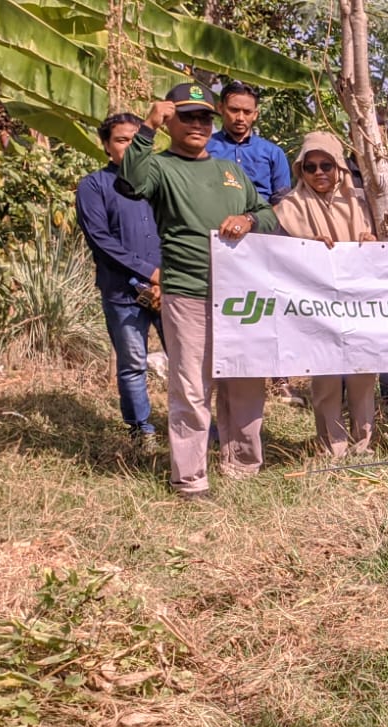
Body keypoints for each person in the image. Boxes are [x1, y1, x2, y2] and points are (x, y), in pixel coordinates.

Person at [119, 83, 279, 500]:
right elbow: (132, 181)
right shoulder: (160, 167)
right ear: (170, 119)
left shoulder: (230, 170)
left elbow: (266, 213)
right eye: (187, 116)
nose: (197, 124)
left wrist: (248, 219)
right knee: (191, 386)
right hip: (187, 291)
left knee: (245, 381)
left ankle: (243, 464)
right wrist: (147, 128)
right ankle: (190, 477)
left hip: (238, 295)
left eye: (204, 117)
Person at [272, 131, 381, 458]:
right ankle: (331, 445)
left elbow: (387, 243)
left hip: (359, 301)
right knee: (326, 378)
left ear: (340, 169)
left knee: (363, 374)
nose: (319, 173)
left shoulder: (362, 202)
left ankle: (363, 444)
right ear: (300, 170)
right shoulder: (289, 208)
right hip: (315, 304)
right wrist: (305, 245)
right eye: (310, 167)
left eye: (327, 165)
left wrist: (371, 238)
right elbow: (278, 253)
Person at [77, 112, 164, 452]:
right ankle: (141, 430)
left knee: (185, 359)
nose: (129, 147)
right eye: (121, 140)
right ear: (106, 145)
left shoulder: (157, 183)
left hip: (170, 287)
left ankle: (195, 424)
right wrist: (150, 273)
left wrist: (165, 277)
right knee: (132, 364)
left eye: (135, 139)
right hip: (122, 291)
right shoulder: (94, 186)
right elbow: (101, 240)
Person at [205, 82, 291, 205]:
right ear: (220, 108)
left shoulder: (273, 153)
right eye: (234, 110)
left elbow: (282, 201)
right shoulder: (205, 147)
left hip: (261, 220)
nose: (240, 117)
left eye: (247, 112)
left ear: (255, 114)